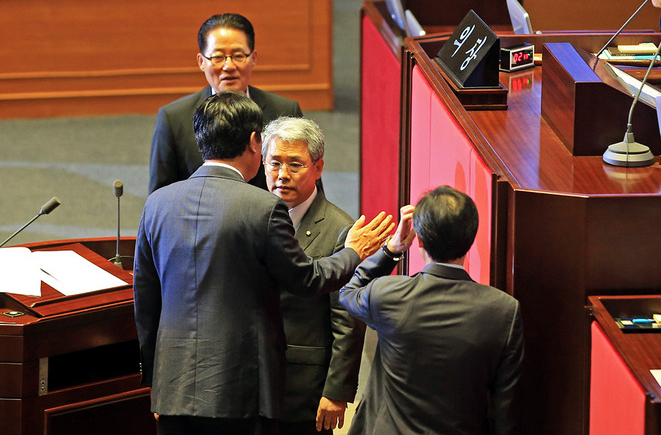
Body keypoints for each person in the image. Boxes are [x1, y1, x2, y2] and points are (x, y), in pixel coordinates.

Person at [134, 91, 394, 435]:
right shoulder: (261, 207)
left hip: (174, 388)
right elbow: (307, 280)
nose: (281, 173)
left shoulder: (157, 203)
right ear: (256, 143)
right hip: (240, 393)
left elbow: (146, 302)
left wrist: (156, 379)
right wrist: (353, 252)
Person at [339, 186, 524, 435]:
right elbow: (506, 406)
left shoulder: (388, 294)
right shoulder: (504, 311)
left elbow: (348, 292)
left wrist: (391, 250)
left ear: (420, 240)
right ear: (470, 238)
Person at [261, 116, 365, 435]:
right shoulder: (251, 214)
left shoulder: (340, 229)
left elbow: (347, 318)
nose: (282, 175)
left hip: (303, 386)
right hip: (251, 380)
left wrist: (336, 392)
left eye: (295, 165)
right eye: (274, 163)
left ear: (318, 168)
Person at [149, 13, 303, 193]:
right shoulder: (174, 119)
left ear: (253, 58)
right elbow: (161, 196)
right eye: (218, 57)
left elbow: (308, 187)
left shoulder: (285, 111)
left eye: (238, 55)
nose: (229, 66)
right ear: (201, 62)